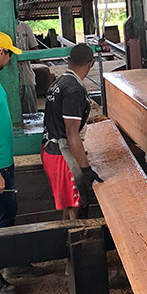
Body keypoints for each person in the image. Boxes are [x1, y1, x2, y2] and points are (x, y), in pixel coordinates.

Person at [41, 43, 103, 220]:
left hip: (49, 149)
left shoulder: (59, 82)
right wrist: (86, 168)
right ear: (91, 64)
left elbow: (61, 118)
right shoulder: (75, 89)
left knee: (69, 205)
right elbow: (71, 133)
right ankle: (74, 244)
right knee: (75, 209)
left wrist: (89, 120)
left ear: (68, 60)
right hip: (61, 154)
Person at [0, 32, 22, 294]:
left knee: (8, 213)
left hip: (6, 162)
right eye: (7, 53)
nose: (8, 59)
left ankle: (14, 262)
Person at [16, 20, 38, 115]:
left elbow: (35, 52)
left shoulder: (24, 27)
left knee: (31, 115)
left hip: (26, 77)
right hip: (8, 80)